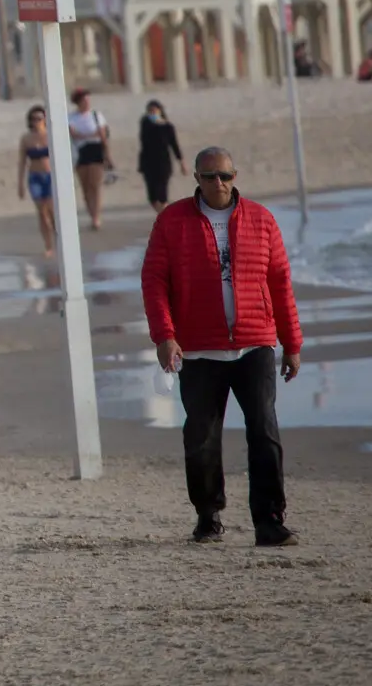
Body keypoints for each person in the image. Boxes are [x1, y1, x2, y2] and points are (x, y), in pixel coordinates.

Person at [141, 146, 303, 547]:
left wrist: (292, 342)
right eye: (210, 176)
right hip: (197, 349)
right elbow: (154, 282)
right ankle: (208, 515)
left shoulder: (262, 220)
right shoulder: (172, 222)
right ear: (196, 177)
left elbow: (281, 282)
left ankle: (269, 521)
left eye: (226, 176)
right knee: (201, 437)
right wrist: (165, 335)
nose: (219, 183)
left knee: (264, 430)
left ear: (236, 176)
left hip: (256, 344)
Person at [68, 88, 112, 230]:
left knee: (95, 185)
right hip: (80, 152)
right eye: (84, 100)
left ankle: (96, 218)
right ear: (78, 102)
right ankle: (92, 213)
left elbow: (103, 135)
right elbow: (74, 135)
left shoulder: (96, 115)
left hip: (96, 150)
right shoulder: (72, 117)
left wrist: (108, 156)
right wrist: (92, 134)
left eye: (88, 99)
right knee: (86, 187)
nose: (87, 102)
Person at [17, 105, 56, 257]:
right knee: (41, 212)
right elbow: (21, 162)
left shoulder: (50, 136)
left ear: (45, 119)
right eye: (33, 119)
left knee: (52, 211)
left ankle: (58, 240)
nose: (36, 122)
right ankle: (48, 245)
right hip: (34, 177)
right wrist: (20, 184)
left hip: (50, 176)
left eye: (39, 119)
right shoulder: (26, 139)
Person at [137, 100, 187, 213]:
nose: (152, 113)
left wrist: (182, 163)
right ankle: (163, 215)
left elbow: (174, 146)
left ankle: (164, 217)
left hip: (163, 163)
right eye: (150, 111)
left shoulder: (168, 127)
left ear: (160, 111)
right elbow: (144, 139)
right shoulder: (146, 124)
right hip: (148, 163)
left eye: (154, 110)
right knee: (152, 197)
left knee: (162, 193)